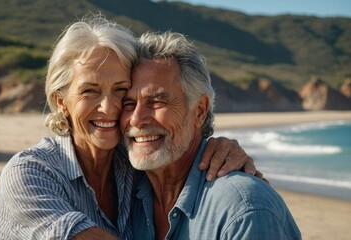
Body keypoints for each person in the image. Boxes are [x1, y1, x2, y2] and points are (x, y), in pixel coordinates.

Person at [0, 15, 260, 239]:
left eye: (121, 91)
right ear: (60, 101)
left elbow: (182, 155)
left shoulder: (135, 165)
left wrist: (219, 149)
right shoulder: (29, 175)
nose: (109, 108)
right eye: (90, 91)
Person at [121, 31, 301, 239]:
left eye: (157, 102)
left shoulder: (243, 210)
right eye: (128, 104)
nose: (136, 119)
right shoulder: (126, 192)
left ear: (199, 110)